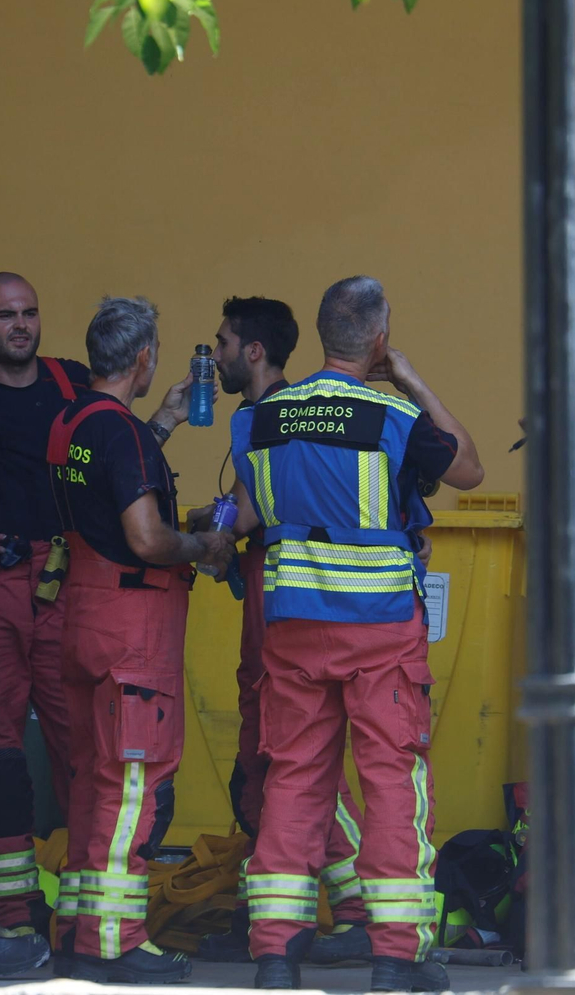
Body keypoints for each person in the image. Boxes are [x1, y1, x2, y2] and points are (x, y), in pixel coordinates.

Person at [0, 273, 202, 978]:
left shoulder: (74, 390)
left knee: (92, 744)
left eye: (31, 313)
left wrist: (165, 424)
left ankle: (84, 916)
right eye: (6, 316)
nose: (21, 326)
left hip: (73, 584)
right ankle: (11, 916)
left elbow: (111, 473)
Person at [228, 276, 483, 992]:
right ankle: (395, 956)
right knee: (392, 781)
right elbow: (469, 469)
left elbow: (246, 511)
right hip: (379, 632)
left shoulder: (263, 415)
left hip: (293, 627)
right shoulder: (393, 416)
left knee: (294, 779)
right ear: (378, 339)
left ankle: (274, 954)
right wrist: (411, 380)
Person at [46, 296, 235, 984]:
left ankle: (75, 928)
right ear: (145, 357)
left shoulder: (70, 421)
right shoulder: (121, 434)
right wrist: (204, 545)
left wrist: (164, 422)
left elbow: (106, 485)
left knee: (91, 781)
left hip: (82, 613)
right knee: (133, 786)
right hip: (134, 625)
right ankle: (115, 943)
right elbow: (148, 538)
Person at [185, 297, 371, 967]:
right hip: (274, 591)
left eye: (224, 342)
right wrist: (217, 518)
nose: (217, 355)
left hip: (284, 593)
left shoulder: (278, 415)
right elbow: (242, 500)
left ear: (254, 352)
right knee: (264, 757)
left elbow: (254, 507)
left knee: (291, 754)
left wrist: (191, 537)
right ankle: (264, 911)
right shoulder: (260, 415)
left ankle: (358, 911)